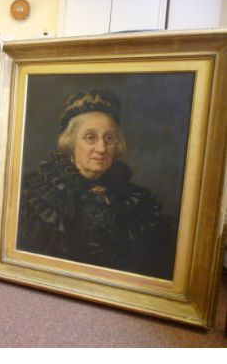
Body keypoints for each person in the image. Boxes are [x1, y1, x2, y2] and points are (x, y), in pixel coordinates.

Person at [17, 89, 177, 279]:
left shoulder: (138, 201)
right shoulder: (35, 197)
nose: (101, 148)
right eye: (90, 137)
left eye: (109, 138)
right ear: (71, 142)